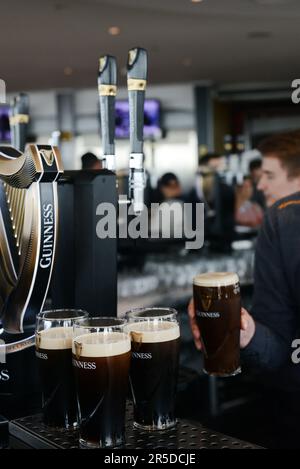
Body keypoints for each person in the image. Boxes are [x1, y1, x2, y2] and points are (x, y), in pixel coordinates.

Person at [188, 130, 300, 448]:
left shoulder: (280, 222)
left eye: (269, 175)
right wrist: (244, 330)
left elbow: (277, 351)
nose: (261, 185)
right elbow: (278, 344)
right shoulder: (279, 225)